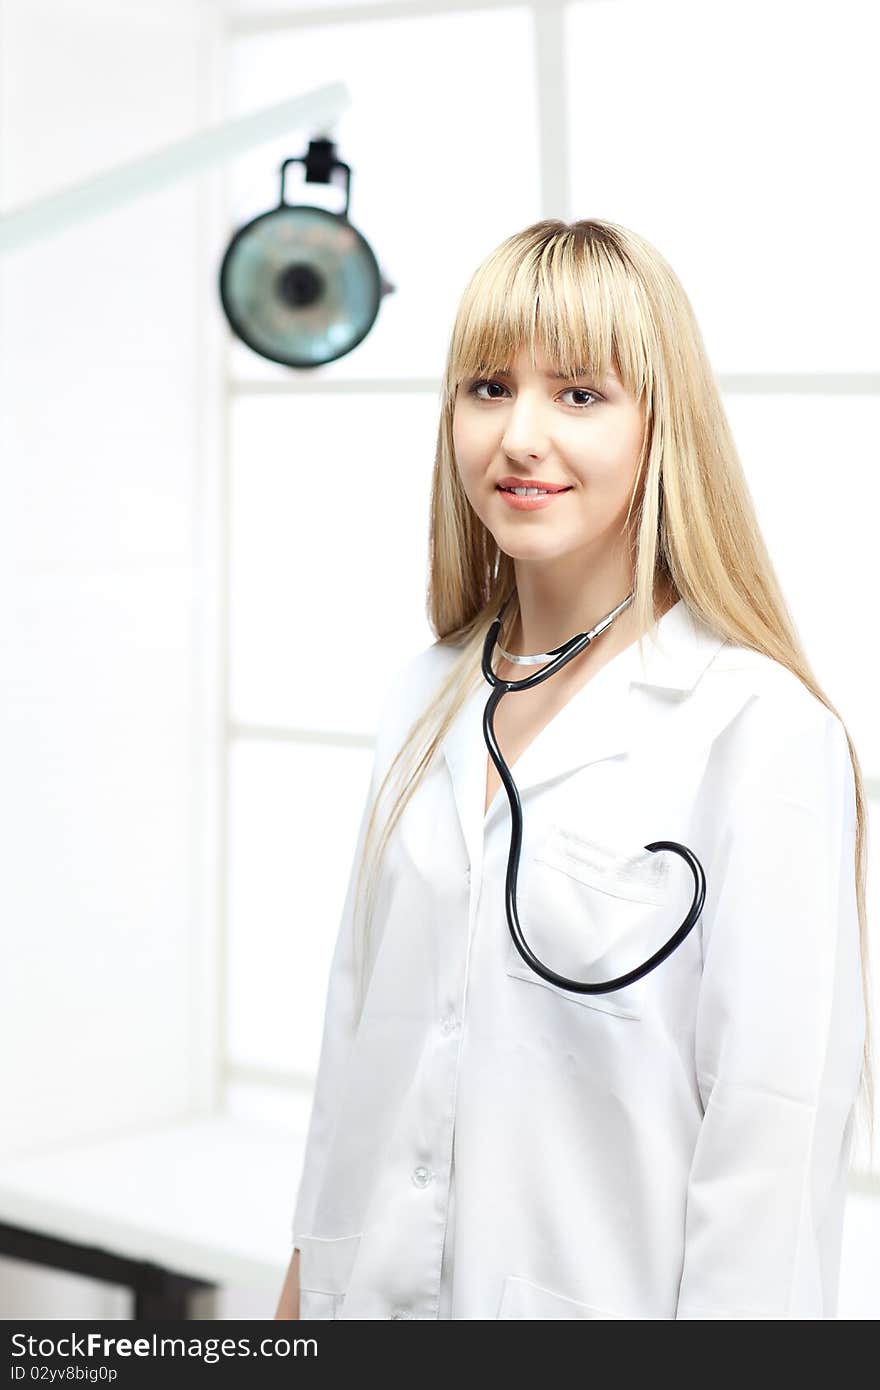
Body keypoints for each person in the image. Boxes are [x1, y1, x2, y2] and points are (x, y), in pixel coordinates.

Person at [274, 218, 873, 1321]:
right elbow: (355, 1063)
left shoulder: (761, 734)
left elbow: (769, 1160)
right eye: (488, 387)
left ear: (661, 429)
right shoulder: (424, 696)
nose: (519, 437)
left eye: (580, 395)